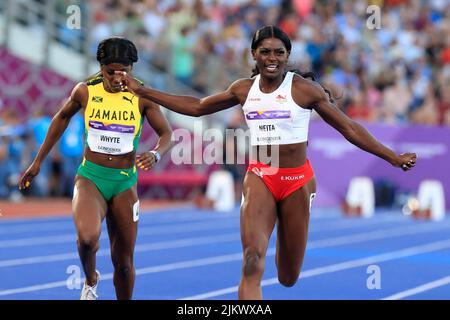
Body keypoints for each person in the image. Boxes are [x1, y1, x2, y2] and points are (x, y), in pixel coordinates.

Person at [117, 25, 417, 300]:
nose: (271, 58)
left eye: (279, 52)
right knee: (251, 259)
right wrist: (142, 90)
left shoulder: (303, 90)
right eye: (265, 52)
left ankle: (284, 260)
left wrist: (391, 157)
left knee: (288, 276)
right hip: (260, 175)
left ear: (287, 56)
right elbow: (196, 107)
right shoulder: (243, 89)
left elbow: (349, 128)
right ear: (254, 55)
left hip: (297, 180)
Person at [18, 37, 174, 300]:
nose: (116, 77)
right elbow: (61, 119)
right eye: (110, 71)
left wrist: (157, 154)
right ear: (100, 67)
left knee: (124, 263)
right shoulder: (86, 90)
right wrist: (37, 162)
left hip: (124, 182)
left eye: (122, 71)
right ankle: (90, 280)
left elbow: (167, 134)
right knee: (88, 239)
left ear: (132, 69)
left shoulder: (142, 96)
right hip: (91, 177)